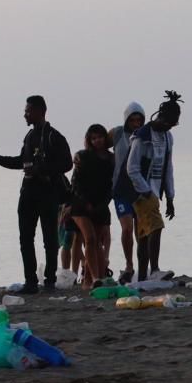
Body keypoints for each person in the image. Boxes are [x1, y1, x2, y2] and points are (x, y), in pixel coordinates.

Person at [0, 95, 72, 294]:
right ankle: (30, 281)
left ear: (41, 111)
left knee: (50, 239)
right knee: (25, 238)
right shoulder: (29, 137)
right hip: (28, 193)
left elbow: (67, 163)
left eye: (28, 111)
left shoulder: (53, 136)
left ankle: (49, 280)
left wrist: (41, 170)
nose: (25, 114)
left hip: (48, 194)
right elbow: (21, 161)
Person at [127, 91, 181, 282]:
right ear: (160, 117)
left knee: (143, 234)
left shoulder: (168, 138)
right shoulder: (142, 136)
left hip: (155, 192)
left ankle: (142, 277)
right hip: (141, 193)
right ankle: (155, 269)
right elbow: (131, 168)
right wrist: (146, 191)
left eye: (173, 125)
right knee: (156, 226)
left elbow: (168, 168)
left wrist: (171, 197)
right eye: (168, 123)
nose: (170, 127)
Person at [69, 124, 115, 289]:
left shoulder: (111, 159)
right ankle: (96, 278)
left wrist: (102, 204)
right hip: (81, 206)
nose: (97, 141)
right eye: (93, 138)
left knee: (97, 244)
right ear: (89, 140)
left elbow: (111, 186)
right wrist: (85, 202)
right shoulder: (83, 156)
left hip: (100, 205)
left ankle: (89, 281)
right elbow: (75, 182)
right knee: (90, 238)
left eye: (100, 137)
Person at [109, 102, 146, 284]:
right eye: (133, 119)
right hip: (120, 189)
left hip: (139, 188)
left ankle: (143, 266)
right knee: (127, 228)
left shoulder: (146, 135)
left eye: (139, 119)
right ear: (127, 119)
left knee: (142, 230)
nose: (136, 123)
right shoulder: (117, 133)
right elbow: (96, 142)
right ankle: (129, 264)